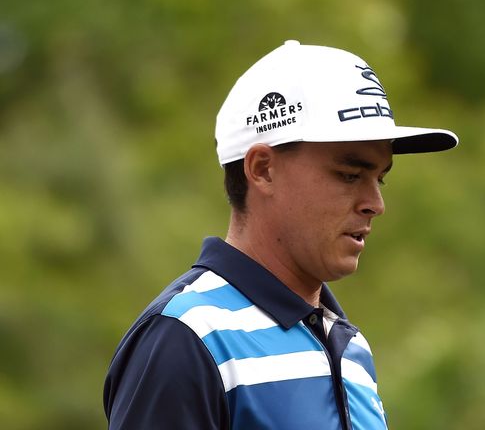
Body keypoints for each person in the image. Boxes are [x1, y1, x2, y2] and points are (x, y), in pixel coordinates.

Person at [103, 39, 458, 429]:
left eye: (380, 179)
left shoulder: (348, 346)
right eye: (350, 175)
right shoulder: (186, 339)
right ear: (262, 170)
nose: (375, 203)